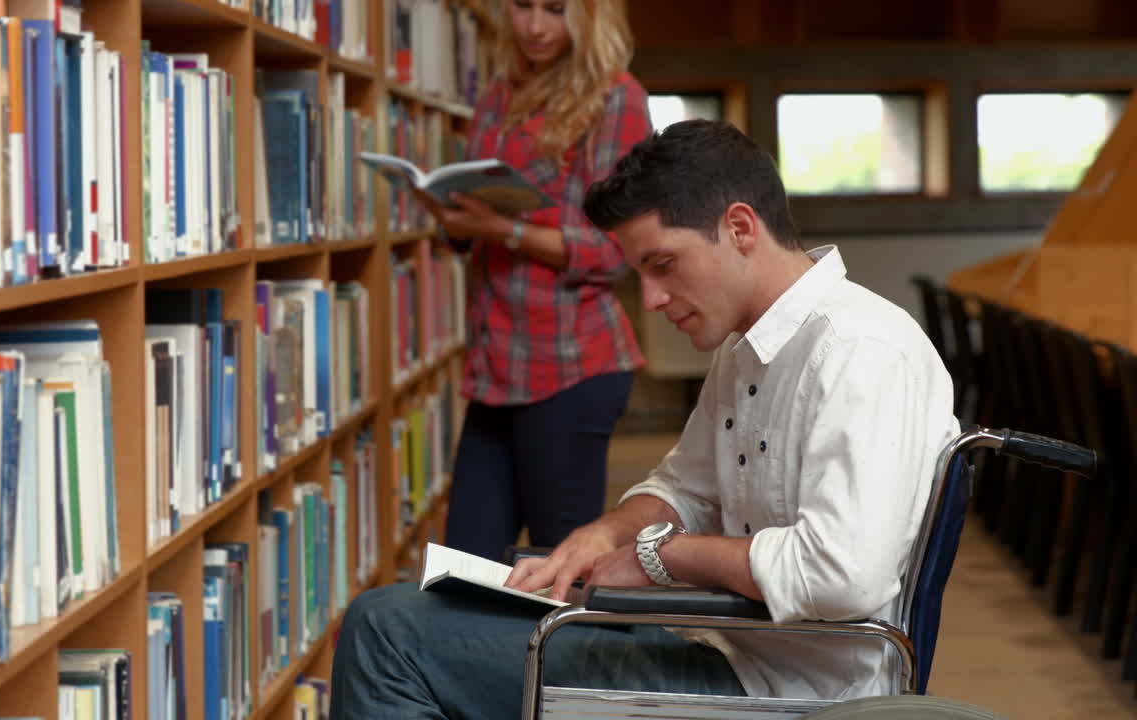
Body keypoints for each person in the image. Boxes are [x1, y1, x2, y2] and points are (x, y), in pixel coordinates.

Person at [330, 119, 959, 719]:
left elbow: (841, 576)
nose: (651, 299)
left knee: (386, 632)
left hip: (787, 688)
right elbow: (684, 488)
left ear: (740, 228)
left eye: (662, 265)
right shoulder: (746, 348)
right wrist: (604, 535)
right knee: (421, 612)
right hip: (719, 644)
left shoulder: (861, 351)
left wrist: (663, 557)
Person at [421, 0, 651, 562]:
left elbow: (613, 249)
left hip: (570, 365)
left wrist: (503, 229)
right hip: (495, 366)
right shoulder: (497, 98)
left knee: (560, 568)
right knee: (461, 569)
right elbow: (476, 227)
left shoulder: (617, 99)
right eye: (522, 6)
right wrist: (454, 218)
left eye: (555, 9)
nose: (535, 26)